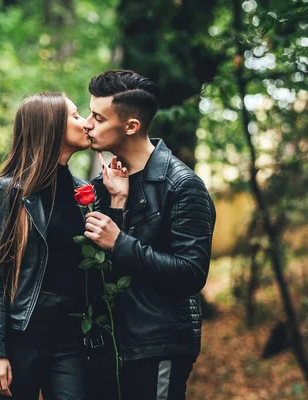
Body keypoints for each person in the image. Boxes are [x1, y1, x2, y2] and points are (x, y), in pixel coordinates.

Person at [81, 70, 217, 400]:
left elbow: (191, 273)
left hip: (158, 346)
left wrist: (120, 242)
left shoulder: (182, 186)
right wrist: (117, 204)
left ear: (131, 126)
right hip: (108, 345)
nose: (87, 124)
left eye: (98, 117)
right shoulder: (104, 186)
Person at [0, 92, 93, 399]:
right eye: (76, 115)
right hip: (21, 337)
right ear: (51, 126)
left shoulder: (84, 192)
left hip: (69, 338)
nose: (86, 124)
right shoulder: (8, 191)